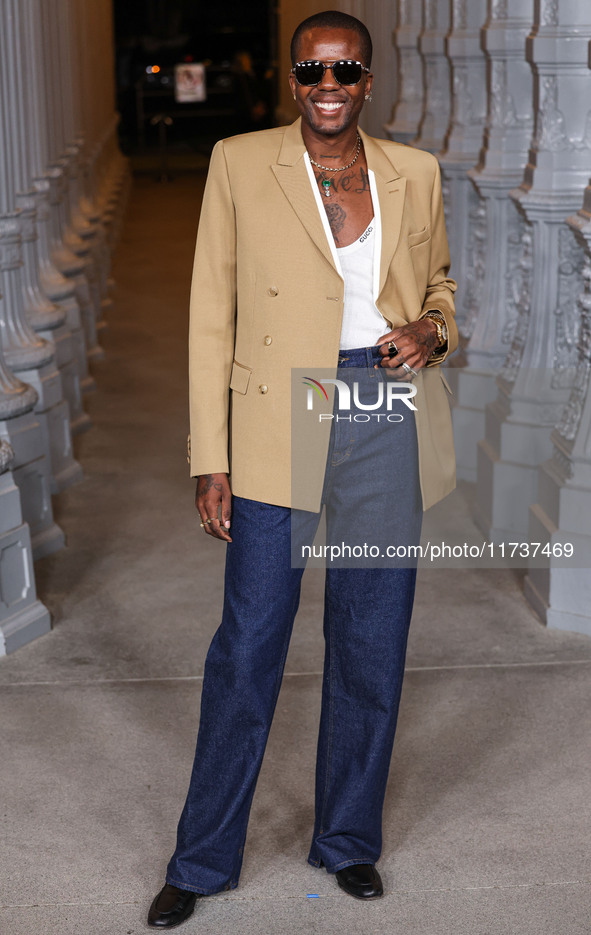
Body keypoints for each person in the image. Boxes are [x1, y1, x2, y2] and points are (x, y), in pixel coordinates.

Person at [148, 10, 457, 929]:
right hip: (277, 415)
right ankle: (201, 861)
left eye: (346, 69)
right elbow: (211, 314)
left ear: (369, 80)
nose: (329, 85)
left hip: (380, 410)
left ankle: (347, 842)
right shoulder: (241, 163)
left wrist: (429, 330)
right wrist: (212, 455)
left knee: (370, 640)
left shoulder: (415, 173)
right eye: (311, 70)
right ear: (291, 80)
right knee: (249, 644)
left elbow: (439, 285)